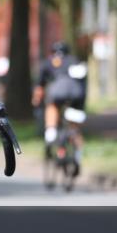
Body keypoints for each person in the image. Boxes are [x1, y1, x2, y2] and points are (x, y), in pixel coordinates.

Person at [32, 41, 87, 169]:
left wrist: (36, 100)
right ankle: (77, 156)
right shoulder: (75, 60)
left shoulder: (48, 62)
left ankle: (51, 132)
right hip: (77, 94)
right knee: (74, 128)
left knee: (52, 106)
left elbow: (39, 87)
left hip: (58, 92)